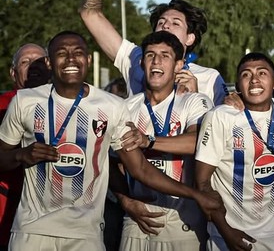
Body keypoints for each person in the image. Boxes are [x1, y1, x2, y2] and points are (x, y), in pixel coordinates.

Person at [0, 31, 221, 250]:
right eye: (61, 53)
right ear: (49, 62)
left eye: (77, 52)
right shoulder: (24, 101)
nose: (70, 59)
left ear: (88, 59)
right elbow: (2, 158)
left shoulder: (112, 105)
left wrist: (195, 194)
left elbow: (140, 168)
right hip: (32, 231)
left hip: (87, 234)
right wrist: (21, 154)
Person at [195, 52, 274, 251]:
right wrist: (226, 230)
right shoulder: (221, 117)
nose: (254, 79)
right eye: (246, 75)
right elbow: (202, 184)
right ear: (238, 86)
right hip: (231, 237)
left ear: (273, 83)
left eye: (262, 73)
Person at [80, 0, 227, 105]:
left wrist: (196, 99)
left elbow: (224, 125)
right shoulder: (135, 58)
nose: (165, 25)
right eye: (161, 22)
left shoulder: (209, 78)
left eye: (176, 23)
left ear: (190, 38)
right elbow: (90, 14)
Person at [112, 31, 214, 250]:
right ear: (141, 63)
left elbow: (199, 142)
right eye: (150, 55)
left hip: (182, 220)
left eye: (165, 55)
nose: (156, 61)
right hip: (138, 219)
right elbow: (111, 163)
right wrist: (126, 201)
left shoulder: (194, 101)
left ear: (179, 65)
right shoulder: (126, 107)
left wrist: (147, 140)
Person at [0, 44, 50, 251]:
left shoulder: (68, 104)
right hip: (7, 208)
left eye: (39, 61)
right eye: (25, 62)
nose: (33, 66)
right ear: (13, 73)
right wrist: (20, 154)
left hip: (55, 215)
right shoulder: (2, 105)